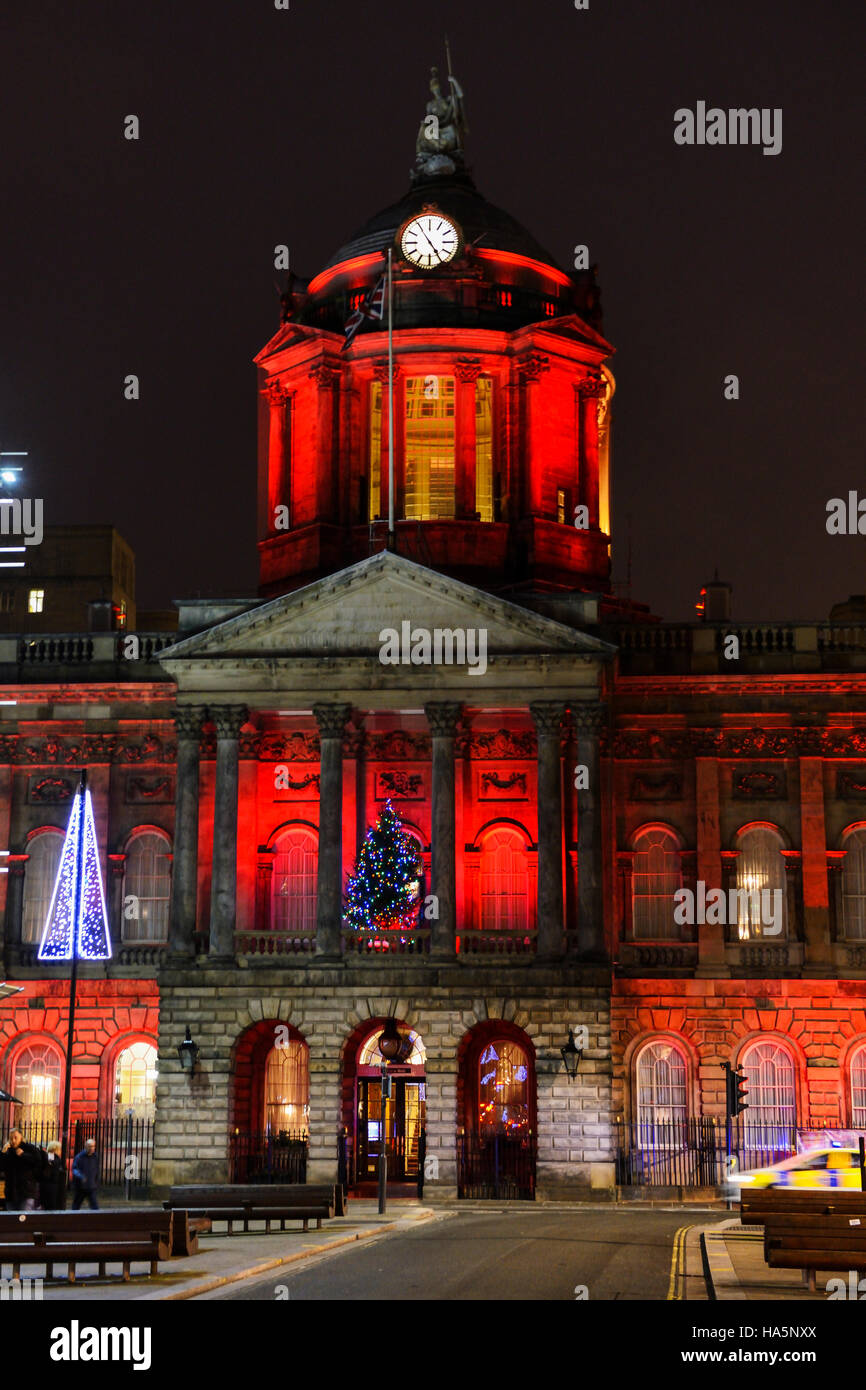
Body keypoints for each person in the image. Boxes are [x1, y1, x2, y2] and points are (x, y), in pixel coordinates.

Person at [0, 1128, 43, 1210]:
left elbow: (37, 1162)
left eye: (15, 1137)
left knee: (24, 1218)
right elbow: (2, 1167)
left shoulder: (29, 1148)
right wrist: (2, 1154)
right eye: (11, 1138)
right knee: (11, 1220)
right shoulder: (7, 1151)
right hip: (11, 1193)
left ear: (21, 1137)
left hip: (26, 1192)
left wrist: (23, 1155)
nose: (13, 1140)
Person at [71, 1137, 99, 1209]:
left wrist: (95, 1181)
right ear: (86, 1146)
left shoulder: (95, 1157)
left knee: (94, 1205)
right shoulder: (79, 1157)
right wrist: (81, 1176)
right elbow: (74, 1169)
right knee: (76, 1205)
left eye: (93, 1146)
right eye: (90, 1146)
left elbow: (96, 1169)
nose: (92, 1148)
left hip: (91, 1185)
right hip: (81, 1186)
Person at [39, 1140, 66, 1210]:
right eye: (60, 1149)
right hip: (52, 1189)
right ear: (56, 1149)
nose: (60, 1151)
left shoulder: (46, 1157)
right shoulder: (54, 1158)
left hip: (44, 1187)